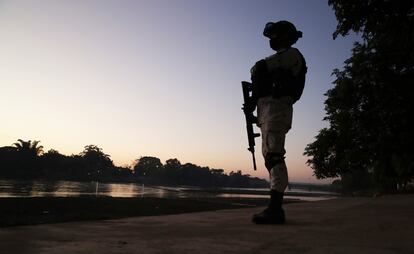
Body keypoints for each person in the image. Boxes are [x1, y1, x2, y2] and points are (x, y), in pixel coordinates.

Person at [249, 20, 307, 224]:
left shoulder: (292, 55)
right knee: (269, 156)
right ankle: (274, 207)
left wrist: (258, 80)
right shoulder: (284, 57)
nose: (272, 39)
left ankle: (275, 209)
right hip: (268, 110)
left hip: (276, 109)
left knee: (274, 156)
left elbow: (259, 68)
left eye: (275, 35)